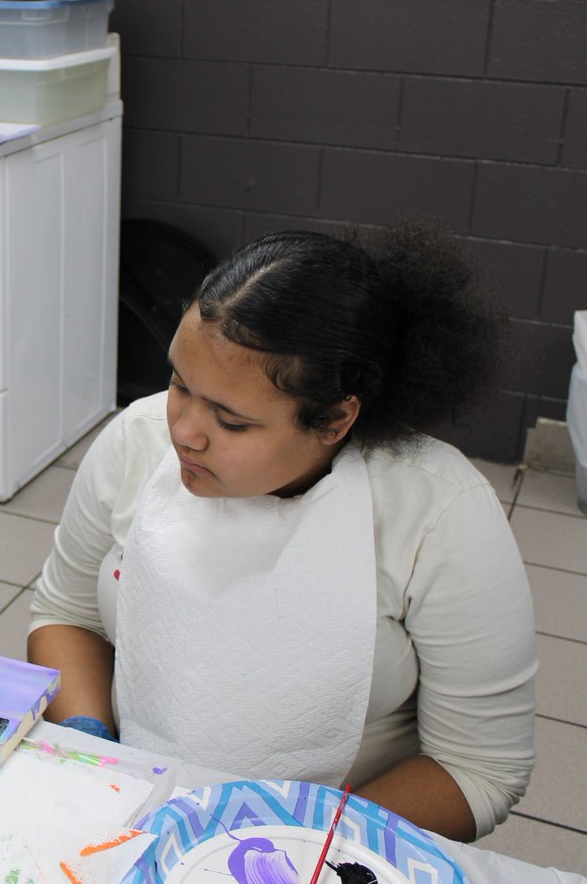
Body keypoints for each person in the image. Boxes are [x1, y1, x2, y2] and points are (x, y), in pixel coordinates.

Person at [29, 226, 537, 842]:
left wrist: (302, 842)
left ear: (335, 418)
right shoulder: (135, 441)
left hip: (322, 842)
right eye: (179, 385)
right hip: (131, 806)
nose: (184, 431)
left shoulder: (437, 510)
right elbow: (65, 614)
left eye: (232, 421)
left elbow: (479, 769)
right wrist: (93, 751)